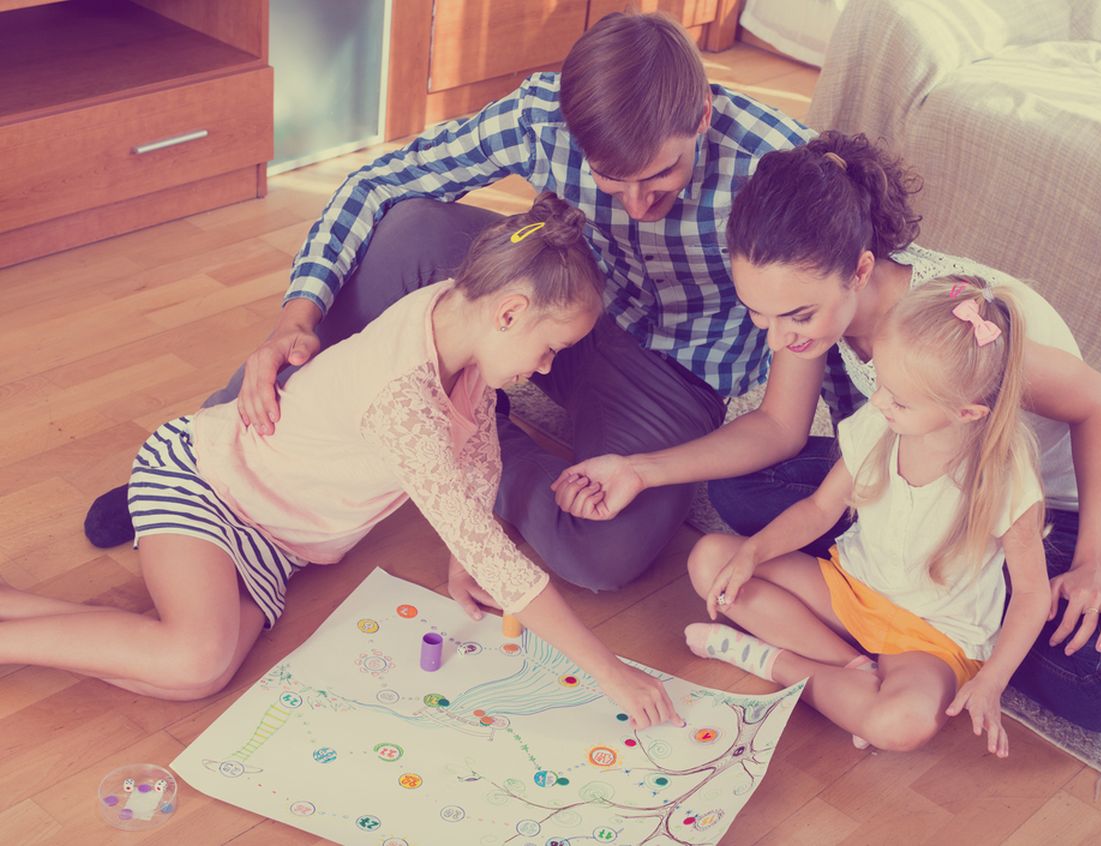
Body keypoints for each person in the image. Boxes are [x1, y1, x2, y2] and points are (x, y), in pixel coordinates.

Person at [84, 11, 812, 594]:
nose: (638, 203)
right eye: (611, 182)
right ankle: (214, 456)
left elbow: (834, 315)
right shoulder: (540, 117)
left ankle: (460, 443)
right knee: (411, 232)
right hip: (551, 301)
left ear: (705, 114)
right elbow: (379, 184)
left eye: (660, 175)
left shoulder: (779, 166)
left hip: (672, 372)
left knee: (604, 553)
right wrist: (295, 316)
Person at [552, 131, 1101, 733]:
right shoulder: (813, 310)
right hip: (907, 463)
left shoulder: (960, 333)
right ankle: (884, 623)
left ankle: (948, 637)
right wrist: (641, 468)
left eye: (795, 316)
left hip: (1044, 510)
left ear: (860, 269)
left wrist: (1092, 563)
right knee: (737, 488)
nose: (778, 337)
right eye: (760, 316)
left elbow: (1099, 403)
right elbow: (776, 428)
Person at [1, 195, 681, 729]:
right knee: (195, 659)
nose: (546, 367)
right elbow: (491, 547)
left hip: (277, 541)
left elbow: (475, 456)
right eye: (551, 348)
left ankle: (14, 610)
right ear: (509, 312)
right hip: (210, 482)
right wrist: (610, 673)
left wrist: (458, 554)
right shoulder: (400, 396)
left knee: (200, 673)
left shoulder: (459, 326)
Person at [686, 276, 1048, 755]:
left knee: (900, 725)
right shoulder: (881, 424)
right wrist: (752, 553)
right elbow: (819, 509)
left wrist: (993, 682)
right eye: (881, 382)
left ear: (966, 413)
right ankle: (853, 669)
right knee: (711, 560)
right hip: (850, 589)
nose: (878, 402)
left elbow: (1031, 594)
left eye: (898, 399)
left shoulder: (1005, 476)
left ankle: (776, 664)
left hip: (933, 638)